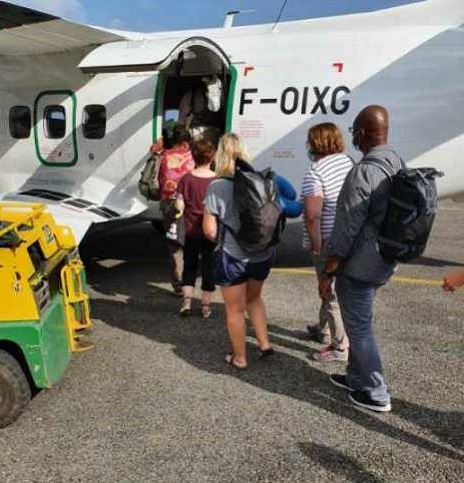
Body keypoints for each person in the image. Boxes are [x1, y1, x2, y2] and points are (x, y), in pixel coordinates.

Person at [320, 105, 404, 413]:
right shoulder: (395, 161)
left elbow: (346, 227)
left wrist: (329, 268)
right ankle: (356, 376)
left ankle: (376, 391)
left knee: (360, 327)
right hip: (384, 258)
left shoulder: (363, 171)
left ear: (362, 133)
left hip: (360, 264)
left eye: (354, 130)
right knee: (360, 322)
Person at [203, 133, 274, 369]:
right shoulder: (259, 180)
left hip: (233, 256)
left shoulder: (217, 186)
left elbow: (209, 231)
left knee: (235, 309)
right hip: (262, 253)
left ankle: (240, 358)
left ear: (220, 155)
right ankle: (264, 344)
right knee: (254, 298)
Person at [302, 122, 353, 362]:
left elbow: (313, 215)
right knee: (330, 287)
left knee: (328, 288)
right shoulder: (348, 162)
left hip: (328, 241)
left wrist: (315, 243)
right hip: (348, 236)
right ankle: (321, 329)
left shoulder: (315, 172)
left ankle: (340, 346)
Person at [176, 141, 217, 318]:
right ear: (212, 157)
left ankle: (186, 302)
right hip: (211, 232)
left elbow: (179, 205)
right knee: (208, 267)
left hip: (190, 230)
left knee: (190, 265)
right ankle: (205, 306)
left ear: (193, 156)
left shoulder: (186, 179)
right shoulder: (217, 180)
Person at [156, 123, 195, 294]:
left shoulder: (164, 156)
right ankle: (189, 280)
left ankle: (178, 283)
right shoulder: (191, 157)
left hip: (169, 204)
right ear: (185, 143)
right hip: (188, 204)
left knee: (174, 243)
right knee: (190, 241)